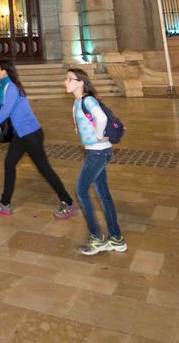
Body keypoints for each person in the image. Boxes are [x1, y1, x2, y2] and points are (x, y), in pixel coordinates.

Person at [0, 59, 77, 219]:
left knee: (44, 169)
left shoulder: (12, 87)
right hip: (21, 135)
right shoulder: (5, 87)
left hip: (31, 134)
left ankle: (68, 202)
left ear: (5, 71)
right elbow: (0, 108)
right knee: (9, 164)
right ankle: (5, 203)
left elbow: (6, 111)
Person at [65, 68, 127, 255]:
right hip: (97, 152)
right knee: (103, 194)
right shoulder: (77, 103)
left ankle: (96, 237)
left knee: (81, 190)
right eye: (66, 79)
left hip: (98, 153)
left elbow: (99, 117)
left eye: (70, 79)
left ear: (81, 82)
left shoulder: (88, 100)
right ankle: (116, 238)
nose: (65, 82)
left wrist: (99, 134)